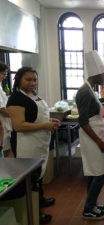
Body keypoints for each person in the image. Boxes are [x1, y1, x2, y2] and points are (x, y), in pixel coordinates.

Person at [7, 66, 60, 224]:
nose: (32, 83)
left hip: (38, 142)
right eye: (28, 79)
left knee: (38, 174)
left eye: (34, 80)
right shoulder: (16, 98)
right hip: (26, 144)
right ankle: (34, 212)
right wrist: (44, 126)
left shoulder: (33, 95)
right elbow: (19, 125)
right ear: (19, 79)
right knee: (30, 179)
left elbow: (35, 118)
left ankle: (40, 200)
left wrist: (49, 121)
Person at [76, 50, 104, 220]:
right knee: (100, 173)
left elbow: (95, 118)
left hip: (96, 137)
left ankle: (92, 203)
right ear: (95, 74)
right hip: (90, 140)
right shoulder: (84, 91)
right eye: (103, 75)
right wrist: (99, 142)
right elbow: (83, 121)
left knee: (94, 172)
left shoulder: (90, 89)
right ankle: (88, 208)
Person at [0, 62, 12, 157]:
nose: (4, 76)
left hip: (5, 125)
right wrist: (17, 116)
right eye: (4, 74)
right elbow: (2, 110)